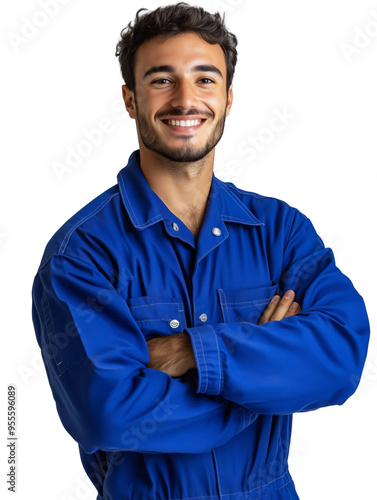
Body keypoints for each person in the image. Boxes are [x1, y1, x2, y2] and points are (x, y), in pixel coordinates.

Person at [31, 3, 370, 499]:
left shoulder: (280, 232)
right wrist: (264, 382)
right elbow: (108, 411)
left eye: (205, 80)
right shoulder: (80, 255)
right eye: (162, 80)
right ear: (130, 99)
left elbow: (341, 354)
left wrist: (191, 350)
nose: (186, 100)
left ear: (229, 98)